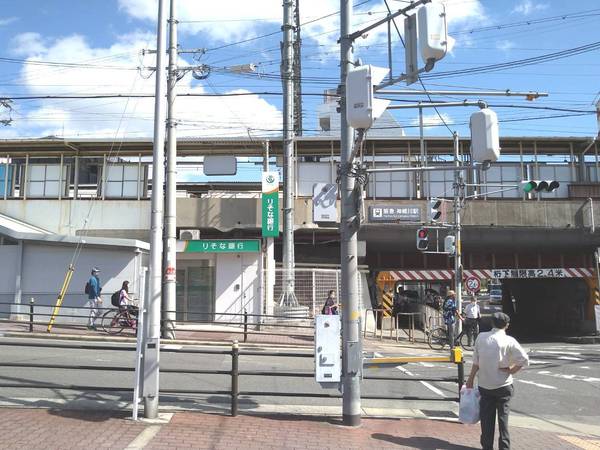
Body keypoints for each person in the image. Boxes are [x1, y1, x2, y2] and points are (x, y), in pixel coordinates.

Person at [466, 312, 529, 450]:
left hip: (485, 385)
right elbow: (524, 360)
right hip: (504, 385)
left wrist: (470, 379)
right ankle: (504, 447)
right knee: (503, 420)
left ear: (492, 323)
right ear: (506, 325)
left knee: (487, 420)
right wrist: (512, 370)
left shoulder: (481, 338)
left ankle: (487, 446)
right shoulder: (509, 341)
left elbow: (476, 362)